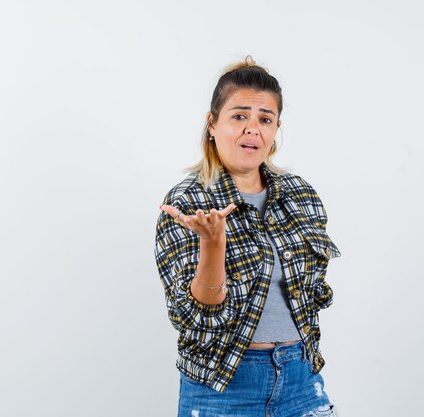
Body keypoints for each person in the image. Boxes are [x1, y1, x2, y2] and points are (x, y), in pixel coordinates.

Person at [154, 55, 342, 417]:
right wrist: (212, 245)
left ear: (275, 130)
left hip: (300, 378)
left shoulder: (300, 194)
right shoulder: (187, 201)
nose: (252, 128)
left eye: (265, 119)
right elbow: (195, 319)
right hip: (223, 387)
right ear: (212, 124)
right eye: (239, 116)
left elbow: (314, 293)